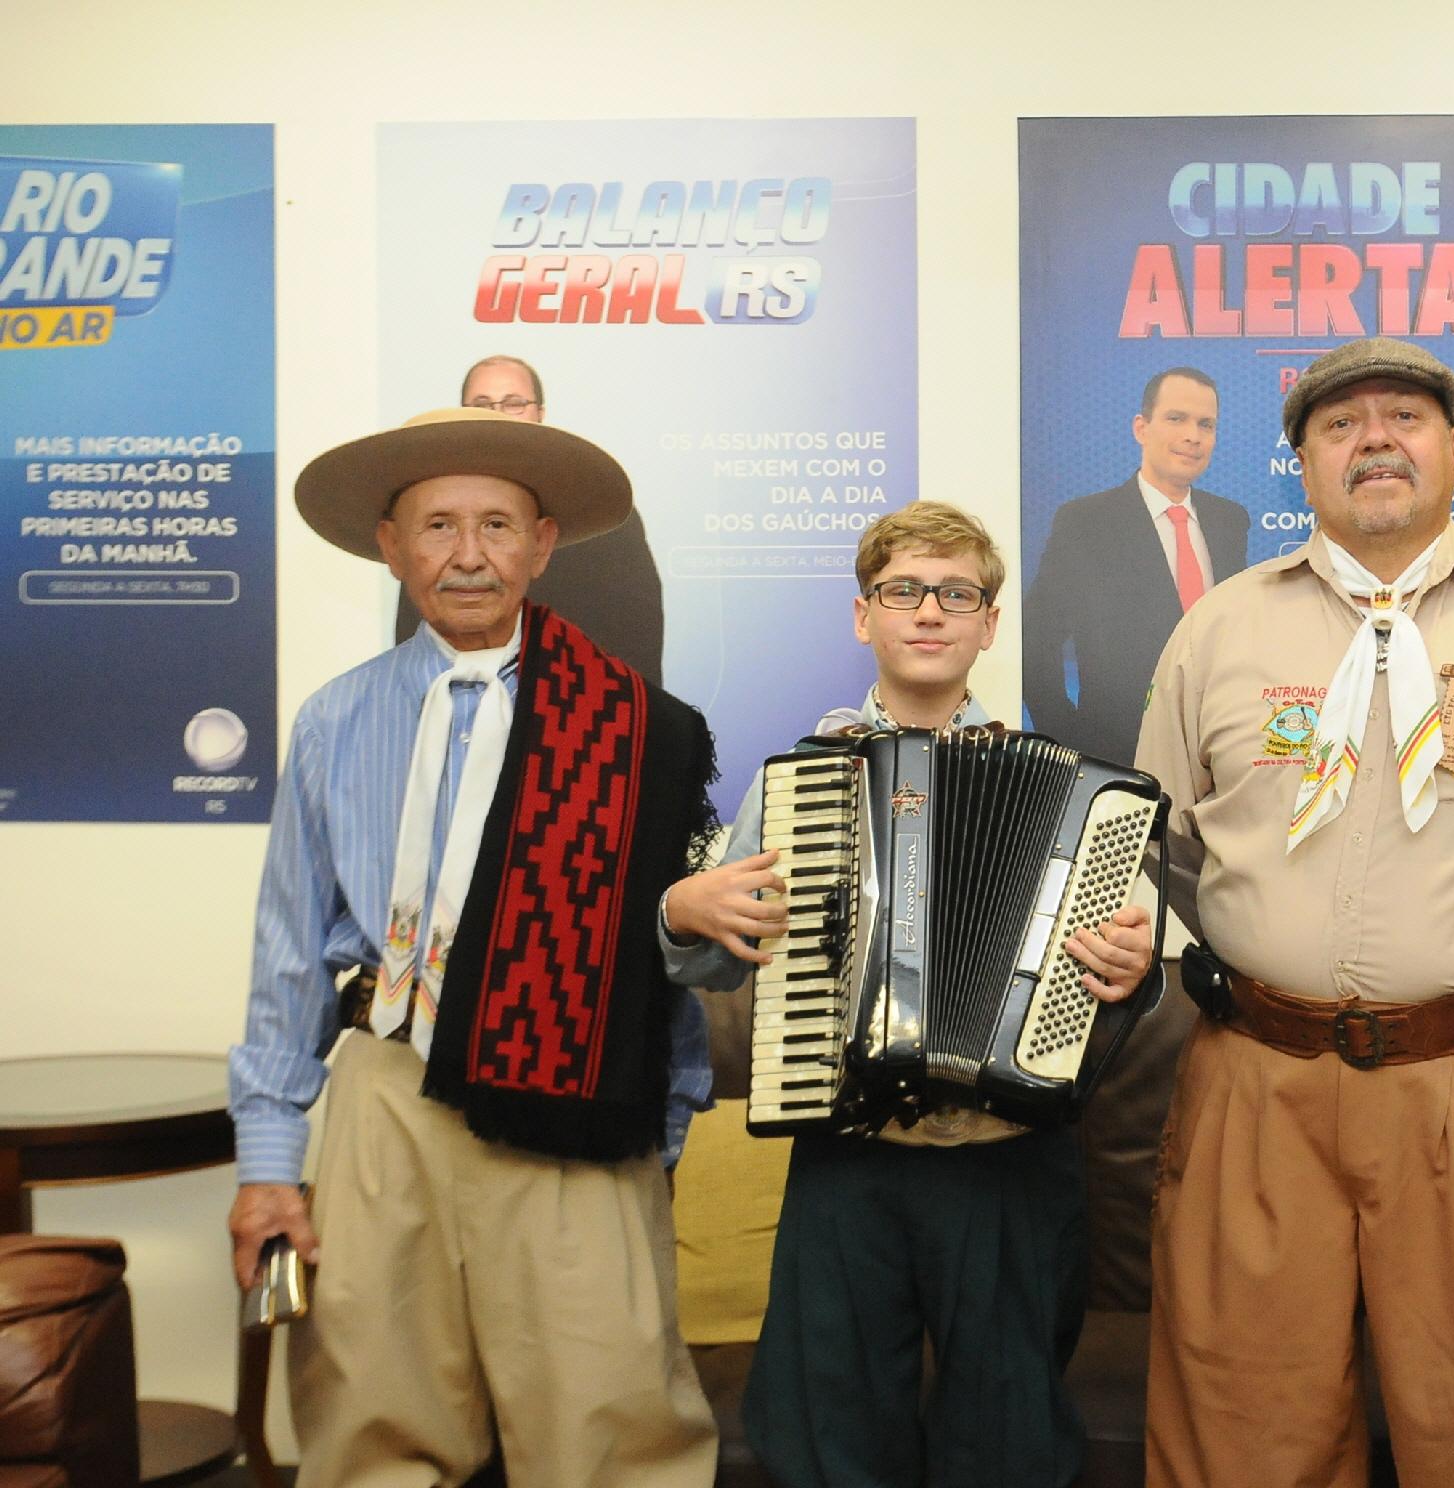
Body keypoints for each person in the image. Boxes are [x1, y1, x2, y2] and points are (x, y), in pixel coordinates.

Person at [1133, 337, 1454, 1488]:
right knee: (1241, 1420)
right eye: (1338, 424)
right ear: (1301, 465)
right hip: (1255, 1080)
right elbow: (1167, 841)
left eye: (1404, 417)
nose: (1374, 439)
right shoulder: (1217, 630)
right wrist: (1270, 942)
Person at [227, 407, 720, 1487]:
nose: (467, 554)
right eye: (437, 524)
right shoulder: (332, 722)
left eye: (496, 525)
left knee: (609, 1423)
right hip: (382, 1102)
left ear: (542, 546)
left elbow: (676, 962)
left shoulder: (640, 729)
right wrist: (270, 1164)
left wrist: (658, 1130)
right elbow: (290, 957)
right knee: (370, 1422)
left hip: (566, 1104)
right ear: (389, 545)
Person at [660, 501, 1159, 1488]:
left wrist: (1128, 972)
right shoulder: (798, 779)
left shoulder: (1068, 792)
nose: (928, 613)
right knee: (828, 1428)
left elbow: (1114, 976)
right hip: (846, 1156)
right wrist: (681, 911)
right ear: (864, 616)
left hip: (1007, 1159)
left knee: (1008, 1437)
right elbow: (718, 963)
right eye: (903, 593)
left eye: (956, 594)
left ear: (987, 621)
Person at [393, 354, 667, 683]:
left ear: (540, 414)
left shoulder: (598, 512)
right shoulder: (429, 508)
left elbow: (639, 633)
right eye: (481, 404)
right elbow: (412, 632)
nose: (496, 416)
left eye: (513, 403)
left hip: (579, 706)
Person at [1023, 367, 1247, 765]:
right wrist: (1067, 742)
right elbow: (1037, 640)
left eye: (1206, 424)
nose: (1192, 436)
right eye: (1176, 419)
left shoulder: (1229, 521)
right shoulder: (1085, 521)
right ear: (1141, 428)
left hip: (1219, 754)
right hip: (1117, 759)